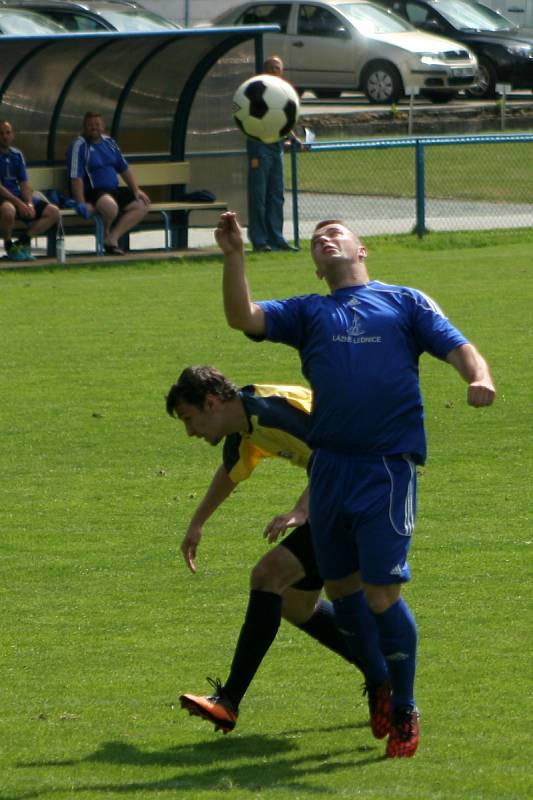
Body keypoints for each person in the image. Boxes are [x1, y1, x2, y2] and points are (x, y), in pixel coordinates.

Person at [215, 211, 496, 758]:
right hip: (329, 470)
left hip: (385, 468)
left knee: (382, 592)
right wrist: (233, 257)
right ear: (317, 266)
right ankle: (379, 683)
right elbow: (242, 317)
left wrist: (478, 377)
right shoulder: (308, 312)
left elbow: (458, 345)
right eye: (318, 237)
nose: (325, 236)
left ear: (361, 249)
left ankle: (407, 707)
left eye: (336, 231)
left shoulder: (404, 301)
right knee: (341, 592)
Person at [166, 366, 367, 734]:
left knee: (268, 575)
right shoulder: (246, 424)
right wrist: (197, 523)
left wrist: (301, 511)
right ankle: (384, 671)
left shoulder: (270, 412)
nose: (190, 431)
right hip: (344, 489)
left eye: (189, 419)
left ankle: (228, 702)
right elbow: (231, 470)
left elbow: (333, 454)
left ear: (211, 403)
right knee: (295, 604)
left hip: (362, 487)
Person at [66, 111, 150, 256]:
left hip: (113, 189)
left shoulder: (110, 143)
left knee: (142, 204)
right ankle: (105, 234)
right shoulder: (79, 146)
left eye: (97, 124)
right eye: (90, 125)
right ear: (84, 127)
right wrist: (81, 202)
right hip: (93, 191)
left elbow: (124, 168)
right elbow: (76, 177)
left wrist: (136, 190)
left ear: (103, 126)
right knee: (111, 207)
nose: (94, 127)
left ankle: (112, 239)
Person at [246, 56, 298, 253]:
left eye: (280, 68)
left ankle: (277, 238)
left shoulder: (282, 92)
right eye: (273, 68)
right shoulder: (256, 91)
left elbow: (282, 118)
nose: (277, 72)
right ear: (265, 70)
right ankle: (260, 240)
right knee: (259, 195)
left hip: (276, 148)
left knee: (276, 195)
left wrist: (292, 137)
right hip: (259, 148)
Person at [0, 120, 60, 261]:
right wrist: (19, 204)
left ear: (13, 135)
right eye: (1, 133)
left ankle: (23, 240)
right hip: (4, 199)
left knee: (54, 212)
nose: (5, 136)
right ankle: (9, 246)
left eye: (8, 133)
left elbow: (24, 183)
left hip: (20, 197)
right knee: (9, 210)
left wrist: (29, 203)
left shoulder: (17, 155)